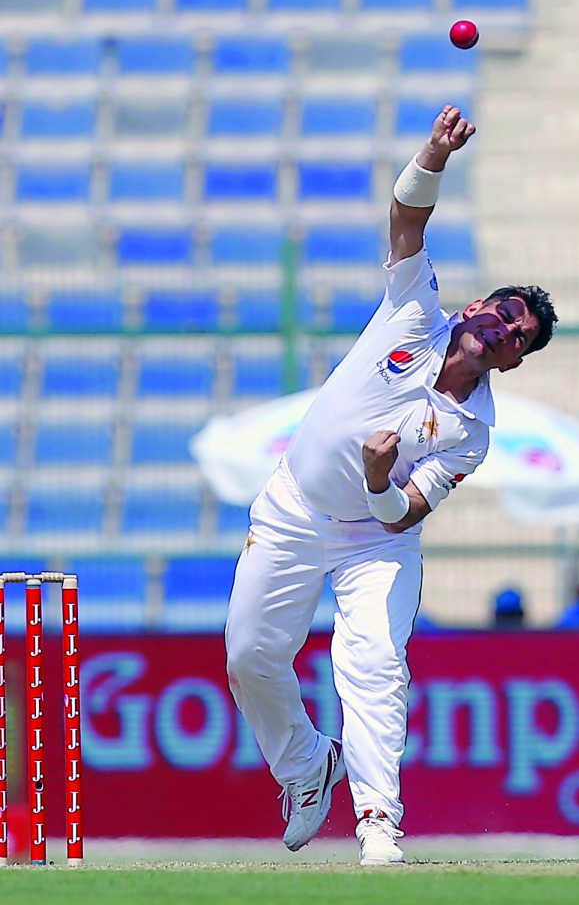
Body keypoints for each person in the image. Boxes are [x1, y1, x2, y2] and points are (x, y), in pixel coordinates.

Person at [224, 105, 558, 866]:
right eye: (503, 314)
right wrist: (434, 154)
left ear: (510, 362)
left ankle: (378, 824)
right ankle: (307, 765)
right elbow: (406, 220)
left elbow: (405, 512)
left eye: (518, 338)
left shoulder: (471, 434)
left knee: (371, 663)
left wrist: (379, 484)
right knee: (249, 656)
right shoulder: (414, 309)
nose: (505, 329)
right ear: (476, 306)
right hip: (293, 512)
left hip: (375, 541)